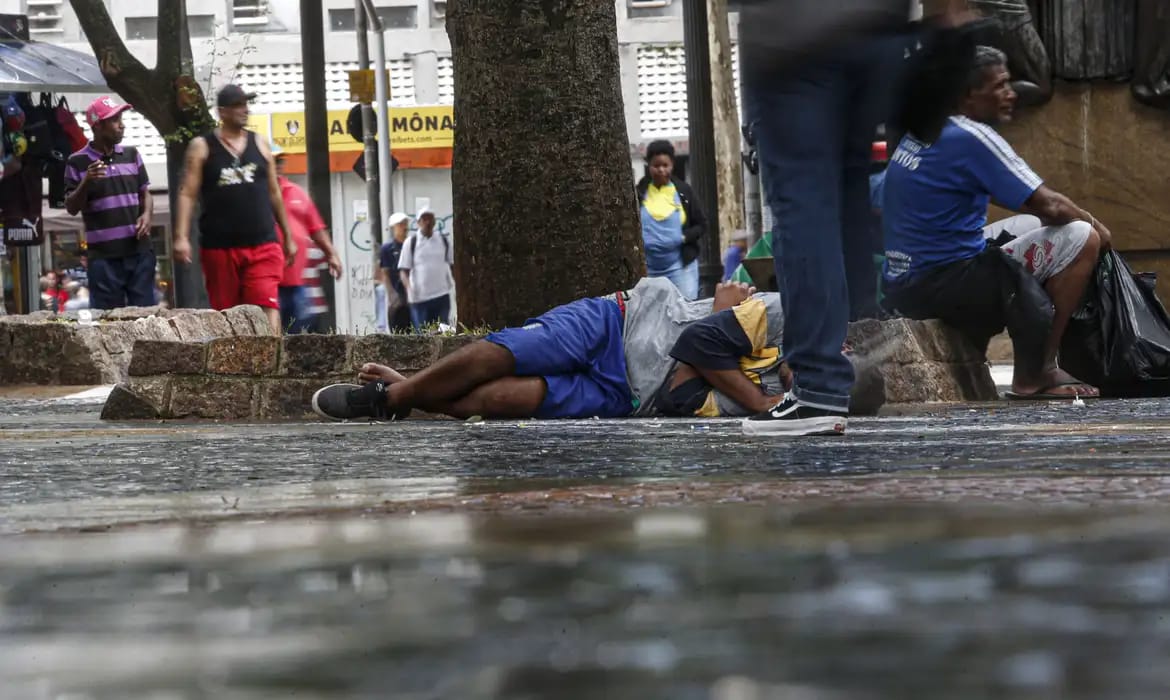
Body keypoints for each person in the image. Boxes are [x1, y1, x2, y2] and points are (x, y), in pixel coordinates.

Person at [311, 277, 857, 435]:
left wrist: (716, 359)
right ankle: (390, 398)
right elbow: (694, 347)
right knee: (500, 354)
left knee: (503, 401)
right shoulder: (790, 316)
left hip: (627, 397)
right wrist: (754, 401)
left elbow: (680, 398)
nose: (793, 381)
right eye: (813, 370)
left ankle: (407, 393)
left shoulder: (784, 406)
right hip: (618, 321)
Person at [881, 45, 1109, 400]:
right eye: (1000, 85)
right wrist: (1099, 226)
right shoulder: (970, 136)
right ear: (968, 94)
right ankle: (1037, 372)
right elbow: (1050, 204)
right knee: (1084, 238)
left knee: (1029, 224)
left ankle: (1035, 363)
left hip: (906, 282)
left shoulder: (926, 127)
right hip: (943, 285)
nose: (1010, 93)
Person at [172, 84, 296, 335]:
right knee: (227, 314)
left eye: (245, 104)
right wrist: (181, 237)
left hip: (263, 243)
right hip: (220, 247)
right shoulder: (203, 146)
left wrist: (288, 236)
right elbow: (187, 192)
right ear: (222, 112)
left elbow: (274, 193)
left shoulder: (260, 144)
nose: (244, 110)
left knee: (266, 305)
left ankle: (275, 365)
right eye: (237, 105)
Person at [63, 96, 154, 310]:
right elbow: (71, 207)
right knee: (108, 320)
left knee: (146, 318)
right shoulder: (77, 162)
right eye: (114, 120)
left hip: (139, 253)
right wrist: (86, 181)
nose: (122, 124)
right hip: (103, 259)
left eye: (121, 118)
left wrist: (147, 215)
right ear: (98, 125)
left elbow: (145, 194)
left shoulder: (132, 155)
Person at [273, 145, 342, 334]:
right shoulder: (257, 195)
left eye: (280, 161)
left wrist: (331, 253)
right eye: (273, 161)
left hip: (298, 281)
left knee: (303, 329)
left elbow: (316, 228)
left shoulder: (296, 192)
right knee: (273, 334)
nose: (278, 165)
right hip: (269, 283)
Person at [635, 140, 706, 300]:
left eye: (665, 165)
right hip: (650, 270)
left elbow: (701, 224)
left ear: (672, 165)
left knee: (685, 309)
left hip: (680, 268)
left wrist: (683, 237)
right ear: (648, 165)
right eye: (656, 165)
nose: (661, 170)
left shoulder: (683, 192)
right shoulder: (639, 192)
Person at [397, 207, 453, 330]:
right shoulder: (411, 242)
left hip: (441, 295)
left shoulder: (443, 240)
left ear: (434, 222)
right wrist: (409, 289)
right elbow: (403, 271)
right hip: (419, 299)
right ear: (418, 223)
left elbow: (452, 264)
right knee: (422, 337)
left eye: (429, 218)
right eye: (424, 219)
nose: (427, 222)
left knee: (443, 334)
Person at [378, 211, 412, 332]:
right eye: (400, 224)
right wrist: (392, 295)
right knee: (398, 329)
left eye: (405, 224)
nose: (404, 227)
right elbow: (385, 273)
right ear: (394, 227)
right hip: (397, 295)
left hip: (413, 296)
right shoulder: (387, 249)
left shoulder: (412, 245)